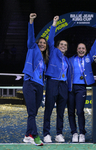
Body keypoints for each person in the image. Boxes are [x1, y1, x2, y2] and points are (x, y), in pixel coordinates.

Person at [67, 23, 96, 143]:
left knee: (79, 111)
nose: (81, 50)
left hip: (81, 87)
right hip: (70, 87)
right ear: (76, 50)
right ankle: (74, 132)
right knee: (70, 111)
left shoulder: (88, 58)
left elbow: (95, 46)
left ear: (86, 50)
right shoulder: (71, 59)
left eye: (83, 48)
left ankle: (82, 132)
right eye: (79, 48)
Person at [43, 16, 72, 143]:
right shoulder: (53, 51)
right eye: (61, 44)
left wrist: (69, 88)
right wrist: (54, 24)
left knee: (61, 111)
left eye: (65, 45)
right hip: (52, 82)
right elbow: (50, 39)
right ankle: (46, 133)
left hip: (63, 85)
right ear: (57, 45)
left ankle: (59, 133)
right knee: (49, 109)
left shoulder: (67, 60)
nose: (63, 46)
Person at [22, 13, 49, 146]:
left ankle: (27, 135)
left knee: (33, 113)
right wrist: (31, 20)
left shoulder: (44, 60)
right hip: (29, 83)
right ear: (37, 43)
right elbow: (31, 37)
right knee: (32, 112)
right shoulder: (32, 48)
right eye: (41, 42)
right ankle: (36, 136)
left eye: (44, 43)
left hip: (39, 86)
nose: (42, 44)